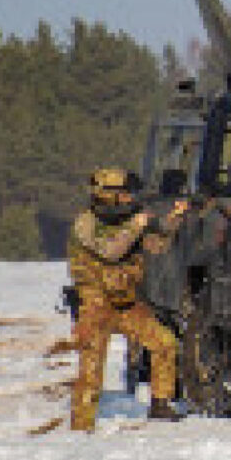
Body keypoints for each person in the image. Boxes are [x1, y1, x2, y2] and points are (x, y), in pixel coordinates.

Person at [67, 167, 186, 432]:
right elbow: (111, 251)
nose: (128, 199)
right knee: (91, 369)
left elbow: (156, 247)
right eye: (122, 194)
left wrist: (172, 221)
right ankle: (81, 426)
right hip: (95, 305)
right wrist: (137, 224)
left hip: (127, 303)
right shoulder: (85, 223)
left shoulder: (131, 219)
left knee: (164, 343)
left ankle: (161, 402)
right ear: (106, 195)